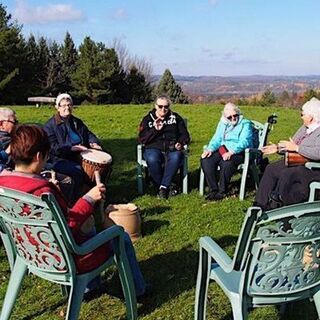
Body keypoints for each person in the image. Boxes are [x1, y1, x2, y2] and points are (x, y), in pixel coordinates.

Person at [0, 124, 149, 299]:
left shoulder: (4, 183)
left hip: (30, 252)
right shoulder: (42, 190)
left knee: (88, 223)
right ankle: (139, 290)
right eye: (47, 156)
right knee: (120, 236)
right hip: (64, 258)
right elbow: (69, 226)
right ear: (39, 156)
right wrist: (89, 199)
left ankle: (90, 287)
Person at [254, 97, 320, 210]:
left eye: (302, 114)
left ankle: (277, 205)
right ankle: (260, 204)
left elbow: (317, 152)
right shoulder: (304, 128)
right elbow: (291, 145)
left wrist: (297, 148)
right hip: (295, 160)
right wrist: (278, 148)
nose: (301, 117)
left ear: (311, 117)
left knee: (286, 173)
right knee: (271, 168)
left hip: (309, 165)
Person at [43, 93, 103, 200]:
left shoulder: (76, 122)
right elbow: (53, 148)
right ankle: (75, 199)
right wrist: (71, 148)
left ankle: (95, 192)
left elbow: (89, 134)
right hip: (58, 159)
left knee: (102, 161)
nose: (67, 108)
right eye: (64, 105)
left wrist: (94, 142)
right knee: (77, 170)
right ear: (57, 107)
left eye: (69, 105)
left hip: (78, 154)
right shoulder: (50, 126)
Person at [138, 95, 190, 199]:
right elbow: (142, 139)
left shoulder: (176, 118)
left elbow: (185, 136)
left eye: (166, 107)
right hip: (153, 148)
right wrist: (155, 130)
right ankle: (167, 186)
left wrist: (180, 142)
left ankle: (162, 188)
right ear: (155, 106)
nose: (163, 109)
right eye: (160, 106)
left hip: (172, 148)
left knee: (176, 157)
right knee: (152, 159)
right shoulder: (148, 120)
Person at [201, 102, 253, 201]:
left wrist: (232, 152)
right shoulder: (223, 124)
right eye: (230, 117)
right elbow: (217, 138)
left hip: (239, 152)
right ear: (225, 117)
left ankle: (222, 191)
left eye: (235, 115)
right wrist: (210, 149)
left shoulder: (245, 124)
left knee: (226, 163)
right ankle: (213, 189)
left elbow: (245, 141)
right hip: (223, 150)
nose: (233, 118)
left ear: (238, 114)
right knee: (206, 159)